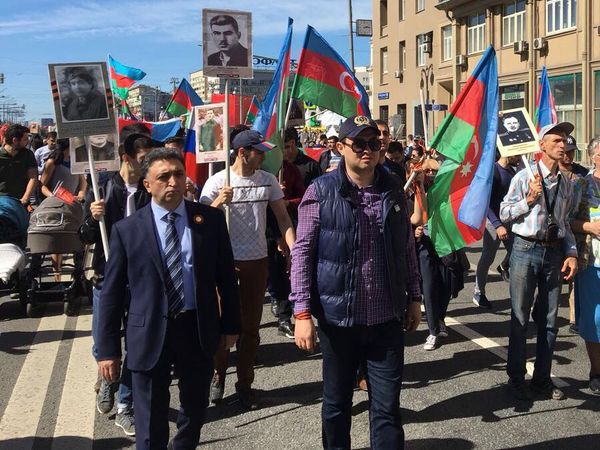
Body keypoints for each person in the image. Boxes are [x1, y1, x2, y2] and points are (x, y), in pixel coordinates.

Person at [290, 115, 422, 449]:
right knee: (337, 406)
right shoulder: (321, 191)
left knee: (387, 408)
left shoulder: (393, 188)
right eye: (359, 143)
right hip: (339, 321)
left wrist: (415, 296)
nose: (367, 150)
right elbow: (302, 253)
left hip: (386, 318)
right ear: (340, 147)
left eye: (373, 144)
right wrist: (301, 312)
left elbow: (407, 246)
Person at [95, 148, 240, 449]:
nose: (173, 182)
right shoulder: (127, 230)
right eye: (164, 177)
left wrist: (230, 325)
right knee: (150, 417)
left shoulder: (210, 220)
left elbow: (226, 277)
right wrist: (108, 349)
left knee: (195, 408)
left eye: (178, 174)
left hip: (196, 328)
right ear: (147, 184)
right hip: (148, 331)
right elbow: (111, 294)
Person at [200, 130, 295, 410]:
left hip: (257, 260)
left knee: (250, 328)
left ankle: (245, 384)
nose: (263, 156)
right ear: (242, 153)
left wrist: (294, 249)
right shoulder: (217, 181)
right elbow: (199, 223)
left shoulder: (267, 180)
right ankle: (218, 374)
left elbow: (283, 218)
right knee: (222, 325)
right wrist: (218, 203)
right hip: (224, 263)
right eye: (258, 151)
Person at [80, 132, 159, 436]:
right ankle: (106, 380)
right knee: (103, 341)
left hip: (140, 280)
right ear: (126, 158)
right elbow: (84, 236)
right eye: (143, 159)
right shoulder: (102, 188)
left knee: (136, 344)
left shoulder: (150, 190)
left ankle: (126, 405)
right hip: (107, 277)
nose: (148, 164)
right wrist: (92, 218)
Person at [500, 122, 578, 401]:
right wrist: (529, 200)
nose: (563, 144)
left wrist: (571, 253)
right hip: (525, 248)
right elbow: (504, 212)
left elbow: (564, 222)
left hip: (553, 252)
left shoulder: (566, 183)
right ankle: (516, 378)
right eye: (556, 140)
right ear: (542, 145)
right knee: (520, 317)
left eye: (565, 140)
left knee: (549, 320)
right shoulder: (524, 177)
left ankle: (542, 379)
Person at [570, 136, 600, 396]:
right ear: (593, 157)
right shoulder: (582, 185)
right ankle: (596, 372)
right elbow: (566, 220)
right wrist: (590, 226)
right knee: (595, 319)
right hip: (592, 261)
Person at [472, 154, 520, 308]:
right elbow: (486, 203)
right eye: (517, 154)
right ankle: (479, 292)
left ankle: (518, 297)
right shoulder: (493, 171)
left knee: (517, 256)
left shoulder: (512, 172)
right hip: (494, 223)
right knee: (488, 257)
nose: (519, 157)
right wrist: (497, 225)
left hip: (510, 222)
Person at [40, 138, 87, 281]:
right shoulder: (52, 162)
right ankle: (57, 277)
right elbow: (42, 185)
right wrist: (53, 197)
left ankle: (79, 274)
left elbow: (83, 182)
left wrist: (81, 193)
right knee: (58, 242)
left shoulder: (75, 161)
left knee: (78, 238)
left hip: (73, 204)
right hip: (57, 206)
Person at [559, 134, 589, 333]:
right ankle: (540, 307)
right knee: (554, 278)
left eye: (572, 152)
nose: (568, 156)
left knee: (574, 276)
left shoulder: (582, 174)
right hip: (556, 232)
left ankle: (573, 319)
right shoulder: (551, 173)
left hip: (576, 233)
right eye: (566, 152)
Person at [0, 124, 37, 206]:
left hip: (20, 203)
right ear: (15, 140)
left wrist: (25, 199)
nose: (27, 142)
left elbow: (33, 177)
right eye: (25, 139)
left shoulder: (28, 154)